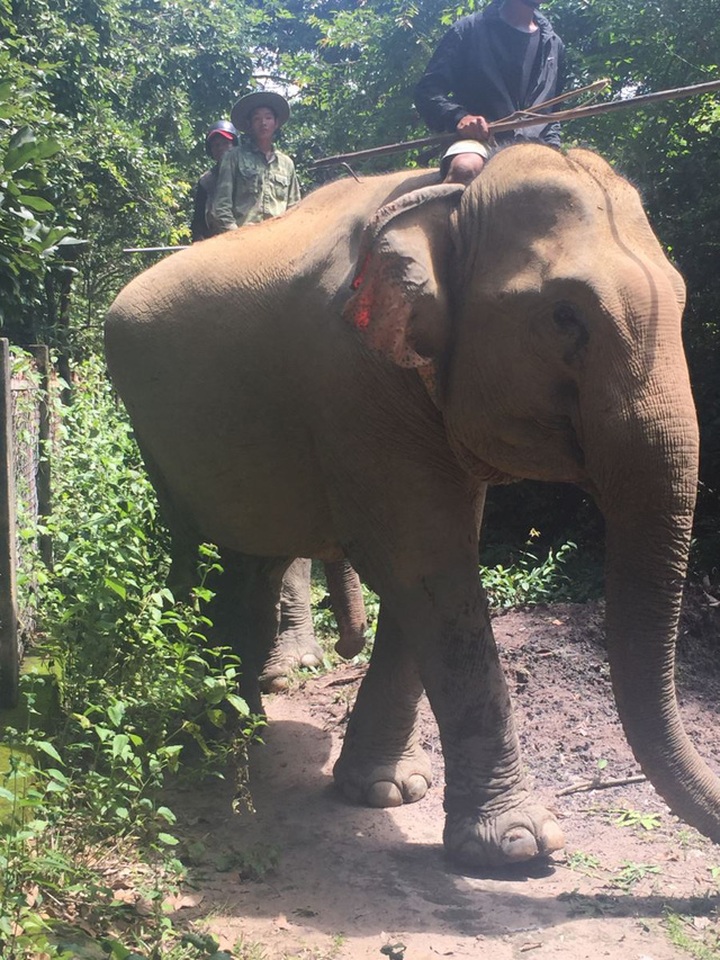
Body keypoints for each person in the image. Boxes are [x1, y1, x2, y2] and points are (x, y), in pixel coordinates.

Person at [414, 0, 565, 184]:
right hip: (479, 142)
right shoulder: (468, 29)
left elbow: (553, 114)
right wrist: (459, 118)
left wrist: (554, 148)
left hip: (537, 147)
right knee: (465, 168)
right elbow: (427, 91)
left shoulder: (554, 45)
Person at [210, 91, 301, 231]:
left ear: (276, 123)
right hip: (243, 236)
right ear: (249, 124)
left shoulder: (286, 164)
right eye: (257, 119)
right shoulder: (233, 157)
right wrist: (237, 236)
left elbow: (294, 208)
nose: (263, 123)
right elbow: (221, 207)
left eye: (268, 118)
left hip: (279, 237)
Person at [190, 120, 239, 242]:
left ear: (234, 146)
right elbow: (198, 221)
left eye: (225, 143)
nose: (220, 148)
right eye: (216, 145)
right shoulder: (206, 181)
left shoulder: (246, 174)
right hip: (216, 241)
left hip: (247, 234)